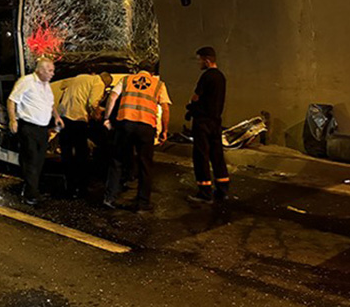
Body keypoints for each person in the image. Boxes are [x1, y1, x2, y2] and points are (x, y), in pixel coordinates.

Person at [103, 61, 171, 213]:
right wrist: (164, 131)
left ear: (138, 70)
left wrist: (107, 118)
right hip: (146, 127)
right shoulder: (158, 84)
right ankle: (142, 202)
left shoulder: (126, 80)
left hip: (125, 124)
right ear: (152, 73)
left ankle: (110, 198)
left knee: (117, 160)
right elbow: (165, 109)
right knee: (145, 164)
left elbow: (112, 97)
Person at [8, 58, 64, 206]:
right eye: (50, 70)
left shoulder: (46, 85)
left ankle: (30, 188)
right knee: (30, 160)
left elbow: (50, 104)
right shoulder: (26, 81)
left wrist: (56, 117)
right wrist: (13, 120)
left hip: (42, 129)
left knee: (39, 161)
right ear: (40, 70)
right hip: (28, 127)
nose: (52, 73)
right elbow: (12, 100)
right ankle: (31, 195)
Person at [185, 46, 229, 204]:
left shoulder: (207, 76)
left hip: (202, 122)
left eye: (200, 60)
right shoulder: (221, 77)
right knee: (217, 155)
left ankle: (204, 191)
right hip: (216, 121)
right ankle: (223, 189)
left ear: (207, 60)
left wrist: (191, 107)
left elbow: (196, 97)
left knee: (201, 155)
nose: (199, 63)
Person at [57, 72, 112, 198]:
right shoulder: (99, 83)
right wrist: (97, 115)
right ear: (106, 84)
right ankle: (81, 187)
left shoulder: (80, 77)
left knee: (66, 153)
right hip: (77, 118)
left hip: (63, 116)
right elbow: (93, 103)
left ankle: (69, 187)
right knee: (81, 153)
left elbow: (63, 86)